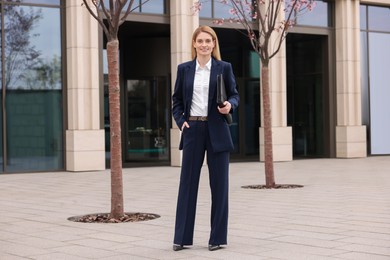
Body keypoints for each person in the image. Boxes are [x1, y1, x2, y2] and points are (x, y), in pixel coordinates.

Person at [172, 26, 239, 252]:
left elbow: (234, 94)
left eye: (208, 41)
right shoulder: (184, 69)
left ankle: (217, 238)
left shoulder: (224, 68)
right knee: (187, 185)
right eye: (200, 41)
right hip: (193, 129)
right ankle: (181, 237)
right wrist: (182, 122)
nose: (204, 44)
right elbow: (176, 101)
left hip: (217, 130)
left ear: (213, 44)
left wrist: (230, 105)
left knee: (220, 186)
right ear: (194, 43)